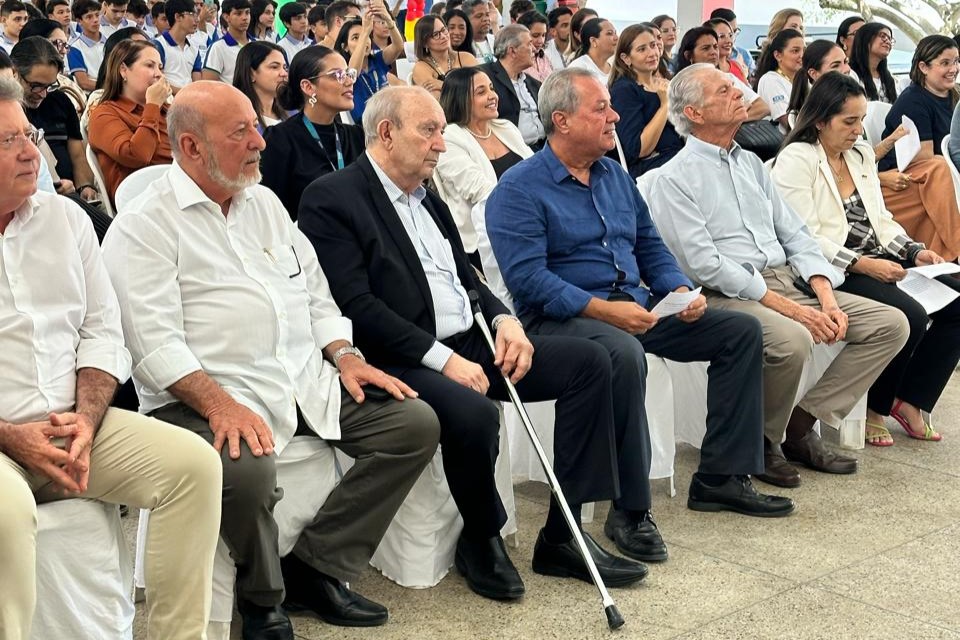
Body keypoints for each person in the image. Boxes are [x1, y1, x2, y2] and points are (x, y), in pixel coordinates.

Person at [101, 80, 439, 637]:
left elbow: (314, 292)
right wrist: (220, 406)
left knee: (412, 424)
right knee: (247, 469)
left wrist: (345, 355)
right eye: (242, 132)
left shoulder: (264, 202)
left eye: (257, 127)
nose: (261, 141)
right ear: (191, 148)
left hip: (303, 380)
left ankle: (315, 565)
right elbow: (154, 344)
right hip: (206, 394)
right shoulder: (145, 227)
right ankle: (262, 599)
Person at [299, 84, 651, 600]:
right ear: (387, 132)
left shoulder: (430, 201)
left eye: (443, 130)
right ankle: (481, 537)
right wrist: (443, 361)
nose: (442, 144)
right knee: (475, 411)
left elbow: (469, 279)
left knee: (593, 362)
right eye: (430, 131)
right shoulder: (334, 197)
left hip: (470, 337)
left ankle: (564, 532)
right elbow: (356, 306)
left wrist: (506, 321)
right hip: (401, 353)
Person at [485, 67, 793, 522]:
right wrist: (604, 311)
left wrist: (681, 290)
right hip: (564, 318)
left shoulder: (613, 175)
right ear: (562, 120)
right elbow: (529, 280)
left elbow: (651, 247)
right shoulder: (518, 188)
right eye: (600, 108)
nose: (614, 117)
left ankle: (721, 477)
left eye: (610, 106)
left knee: (740, 331)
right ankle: (630, 511)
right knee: (624, 352)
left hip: (635, 307)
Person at [0, 75, 222, 640]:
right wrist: (11, 436)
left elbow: (103, 332)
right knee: (7, 514)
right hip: (2, 442)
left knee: (193, 467)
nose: (35, 152)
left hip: (72, 425)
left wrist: (86, 420)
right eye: (9, 142)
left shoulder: (66, 220)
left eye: (29, 133)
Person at [648, 63, 909, 488]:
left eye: (734, 86)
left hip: (789, 279)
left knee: (890, 324)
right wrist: (793, 310)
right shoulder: (673, 178)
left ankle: (801, 425)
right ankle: (764, 443)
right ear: (693, 113)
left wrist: (824, 296)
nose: (738, 92)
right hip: (729, 292)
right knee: (792, 338)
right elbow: (704, 264)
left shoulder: (750, 163)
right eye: (723, 91)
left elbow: (797, 234)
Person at [772, 71, 960, 446]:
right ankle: (877, 406)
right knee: (911, 312)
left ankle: (912, 399)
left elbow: (881, 220)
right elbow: (803, 236)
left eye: (861, 120)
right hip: (832, 268)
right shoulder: (798, 157)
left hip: (878, 257)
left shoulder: (857, 155)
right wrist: (862, 264)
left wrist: (914, 251)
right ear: (821, 120)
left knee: (958, 300)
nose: (859, 131)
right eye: (850, 121)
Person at [433, 66, 531, 264]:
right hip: (486, 240)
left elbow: (538, 173)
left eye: (492, 88)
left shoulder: (506, 128)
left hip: (528, 225)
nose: (492, 96)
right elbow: (480, 191)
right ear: (460, 99)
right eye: (481, 92)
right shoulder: (449, 138)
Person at [877, 35, 960, 260]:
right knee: (940, 166)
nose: (954, 69)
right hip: (901, 181)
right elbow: (924, 159)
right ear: (923, 66)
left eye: (956, 61)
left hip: (937, 177)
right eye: (945, 63)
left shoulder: (954, 96)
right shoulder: (913, 101)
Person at [261, 46, 364, 217]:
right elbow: (271, 209)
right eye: (337, 75)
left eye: (348, 74)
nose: (348, 81)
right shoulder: (281, 139)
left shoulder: (356, 136)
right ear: (308, 87)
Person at [11, 38, 99, 201]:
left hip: (71, 196)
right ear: (14, 72)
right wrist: (51, 188)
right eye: (36, 85)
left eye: (49, 86)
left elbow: (78, 156)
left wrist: (85, 186)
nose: (43, 94)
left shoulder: (61, 101)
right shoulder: (7, 112)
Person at [87, 39, 173, 206]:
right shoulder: (104, 113)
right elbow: (137, 156)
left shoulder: (168, 110)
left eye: (160, 67)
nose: (158, 74)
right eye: (149, 66)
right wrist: (153, 105)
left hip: (180, 193)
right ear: (123, 70)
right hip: (142, 204)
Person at [609, 23, 681, 177]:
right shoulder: (624, 90)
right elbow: (639, 149)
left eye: (653, 45)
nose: (652, 53)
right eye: (642, 49)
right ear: (626, 58)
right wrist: (665, 105)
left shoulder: (663, 84)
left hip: (675, 158)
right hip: (651, 170)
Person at [673, 26, 769, 123]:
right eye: (706, 48)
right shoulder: (682, 87)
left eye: (715, 47)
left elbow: (763, 107)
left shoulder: (729, 78)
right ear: (689, 55)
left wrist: (732, 120)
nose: (713, 52)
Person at [478, 24, 543, 149]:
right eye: (529, 44)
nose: (535, 49)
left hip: (542, 148)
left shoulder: (534, 84)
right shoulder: (484, 77)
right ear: (512, 51)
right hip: (510, 151)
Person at [335, 10, 403, 122]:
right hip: (365, 126)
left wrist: (388, 20)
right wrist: (365, 32)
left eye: (366, 37)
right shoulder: (343, 71)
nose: (364, 41)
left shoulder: (378, 60)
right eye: (356, 37)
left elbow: (398, 46)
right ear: (345, 47)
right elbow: (352, 74)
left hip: (389, 117)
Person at [18, 19, 87, 115]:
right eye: (57, 43)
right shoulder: (13, 92)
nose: (63, 51)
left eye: (65, 45)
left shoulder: (67, 84)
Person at [412, 14, 476, 97]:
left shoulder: (466, 57)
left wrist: (443, 85)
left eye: (443, 30)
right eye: (435, 34)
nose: (443, 36)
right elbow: (437, 99)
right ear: (424, 43)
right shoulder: (421, 67)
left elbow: (481, 85)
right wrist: (465, 88)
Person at [754, 28, 804, 131]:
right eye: (795, 51)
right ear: (778, 55)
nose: (802, 55)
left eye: (804, 50)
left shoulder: (803, 81)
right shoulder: (770, 80)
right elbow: (788, 123)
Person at [786, 40, 851, 119]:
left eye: (846, 62)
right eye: (835, 66)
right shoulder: (812, 113)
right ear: (813, 74)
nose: (846, 69)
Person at [233, 40, 289, 130]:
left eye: (285, 67)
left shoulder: (292, 113)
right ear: (251, 74)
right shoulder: (237, 120)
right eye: (274, 67)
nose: (284, 73)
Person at [155, 0, 202, 92]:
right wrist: (185, 94)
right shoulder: (158, 45)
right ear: (178, 17)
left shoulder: (194, 49)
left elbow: (197, 83)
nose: (198, 19)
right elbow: (158, 81)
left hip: (189, 100)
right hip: (166, 101)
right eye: (193, 14)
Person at [202, 0, 252, 84]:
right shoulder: (218, 48)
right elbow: (208, 85)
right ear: (226, 17)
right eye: (238, 13)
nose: (245, 17)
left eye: (247, 12)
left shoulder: (257, 44)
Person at [849, 22, 898, 104]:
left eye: (890, 39)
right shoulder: (851, 74)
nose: (888, 41)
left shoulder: (889, 79)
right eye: (883, 36)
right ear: (866, 39)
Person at [67, 0, 107, 92]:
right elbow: (84, 83)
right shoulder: (74, 47)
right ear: (79, 21)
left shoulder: (110, 41)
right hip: (92, 96)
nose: (95, 20)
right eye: (89, 17)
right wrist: (112, 87)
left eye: (97, 15)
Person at [567, 17, 616, 83]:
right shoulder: (579, 68)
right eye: (609, 33)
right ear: (593, 41)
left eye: (615, 33)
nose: (616, 38)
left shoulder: (615, 67)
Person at [710, 7, 755, 78]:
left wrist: (746, 76)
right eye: (722, 36)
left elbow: (754, 84)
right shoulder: (705, 58)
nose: (730, 39)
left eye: (732, 33)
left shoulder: (744, 54)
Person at [704, 18, 746, 84]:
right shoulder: (705, 71)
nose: (728, 41)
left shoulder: (736, 66)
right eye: (722, 36)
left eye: (730, 35)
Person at [517, 11, 552, 83]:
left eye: (543, 35)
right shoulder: (517, 61)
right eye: (535, 35)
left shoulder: (544, 56)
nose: (541, 41)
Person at [543, 6, 571, 71]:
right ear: (553, 31)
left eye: (572, 23)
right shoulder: (546, 52)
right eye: (565, 25)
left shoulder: (582, 48)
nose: (570, 28)